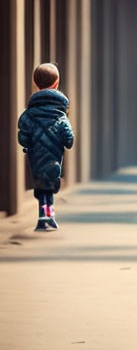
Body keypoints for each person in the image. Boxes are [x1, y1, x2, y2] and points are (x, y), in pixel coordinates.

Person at [17, 63, 74, 232]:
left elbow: (23, 136)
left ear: (36, 84)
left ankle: (44, 215)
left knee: (41, 185)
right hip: (54, 157)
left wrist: (28, 144)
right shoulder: (60, 115)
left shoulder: (29, 113)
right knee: (50, 185)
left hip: (35, 157)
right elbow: (69, 139)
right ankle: (48, 215)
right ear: (57, 83)